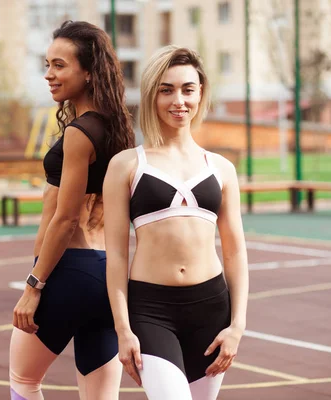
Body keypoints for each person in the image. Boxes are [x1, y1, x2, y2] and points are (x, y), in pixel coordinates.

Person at [104, 45, 249, 400]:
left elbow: (235, 253)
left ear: (201, 93)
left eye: (188, 89)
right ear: (153, 95)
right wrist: (123, 330)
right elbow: (117, 256)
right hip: (151, 310)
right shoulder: (126, 165)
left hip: (212, 308)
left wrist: (237, 326)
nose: (178, 100)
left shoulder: (221, 168)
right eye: (166, 90)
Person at [9, 21, 135, 400]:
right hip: (106, 277)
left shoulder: (80, 133)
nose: (49, 74)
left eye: (59, 65)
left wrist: (34, 285)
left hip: (68, 271)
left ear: (89, 71)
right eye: (47, 64)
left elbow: (65, 219)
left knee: (24, 381)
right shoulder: (118, 129)